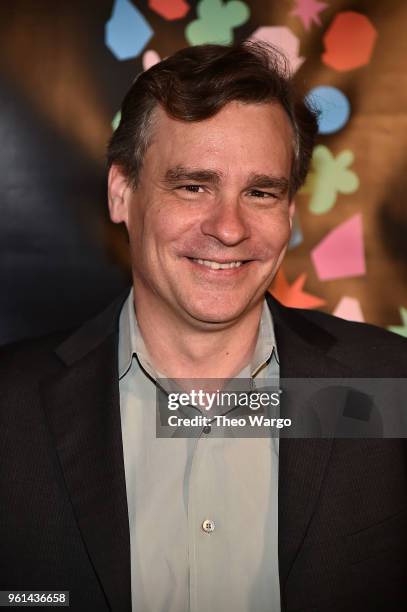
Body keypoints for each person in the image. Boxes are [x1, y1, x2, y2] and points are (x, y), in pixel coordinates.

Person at [1, 41, 407, 612]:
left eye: (260, 192)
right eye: (194, 186)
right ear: (123, 192)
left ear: (289, 212)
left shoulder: (389, 385)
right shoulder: (12, 406)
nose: (229, 228)